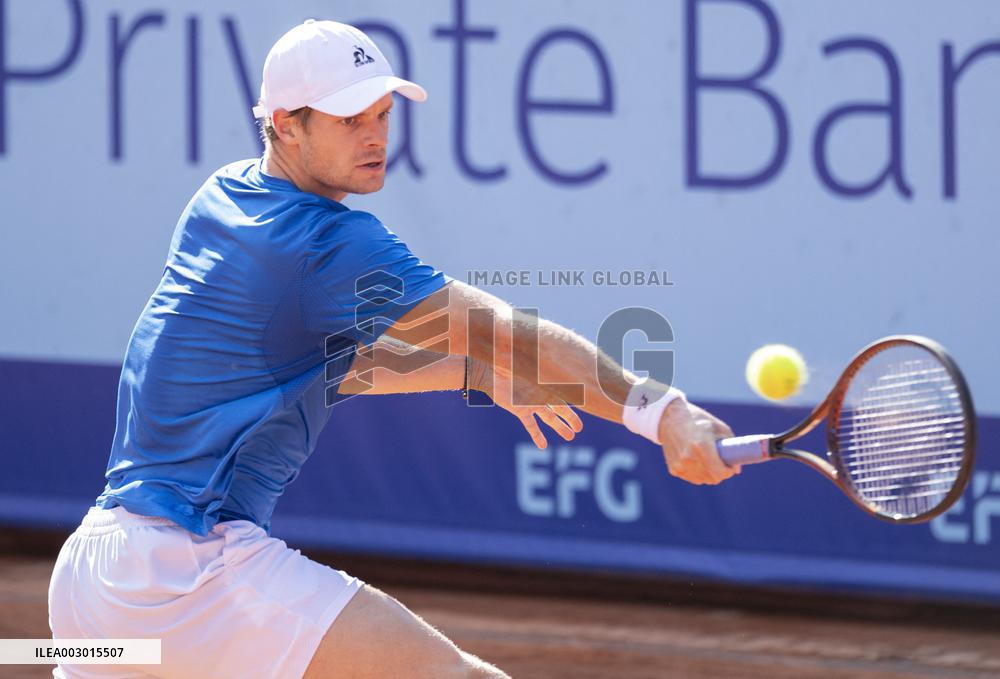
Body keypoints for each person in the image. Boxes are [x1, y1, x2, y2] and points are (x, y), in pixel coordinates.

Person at [47, 19, 738, 679]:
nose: (376, 136)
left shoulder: (223, 197)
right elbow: (501, 328)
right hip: (184, 574)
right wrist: (660, 411)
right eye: (351, 120)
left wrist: (477, 372)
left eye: (382, 114)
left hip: (92, 580)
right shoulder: (326, 244)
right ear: (287, 124)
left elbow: (320, 367)